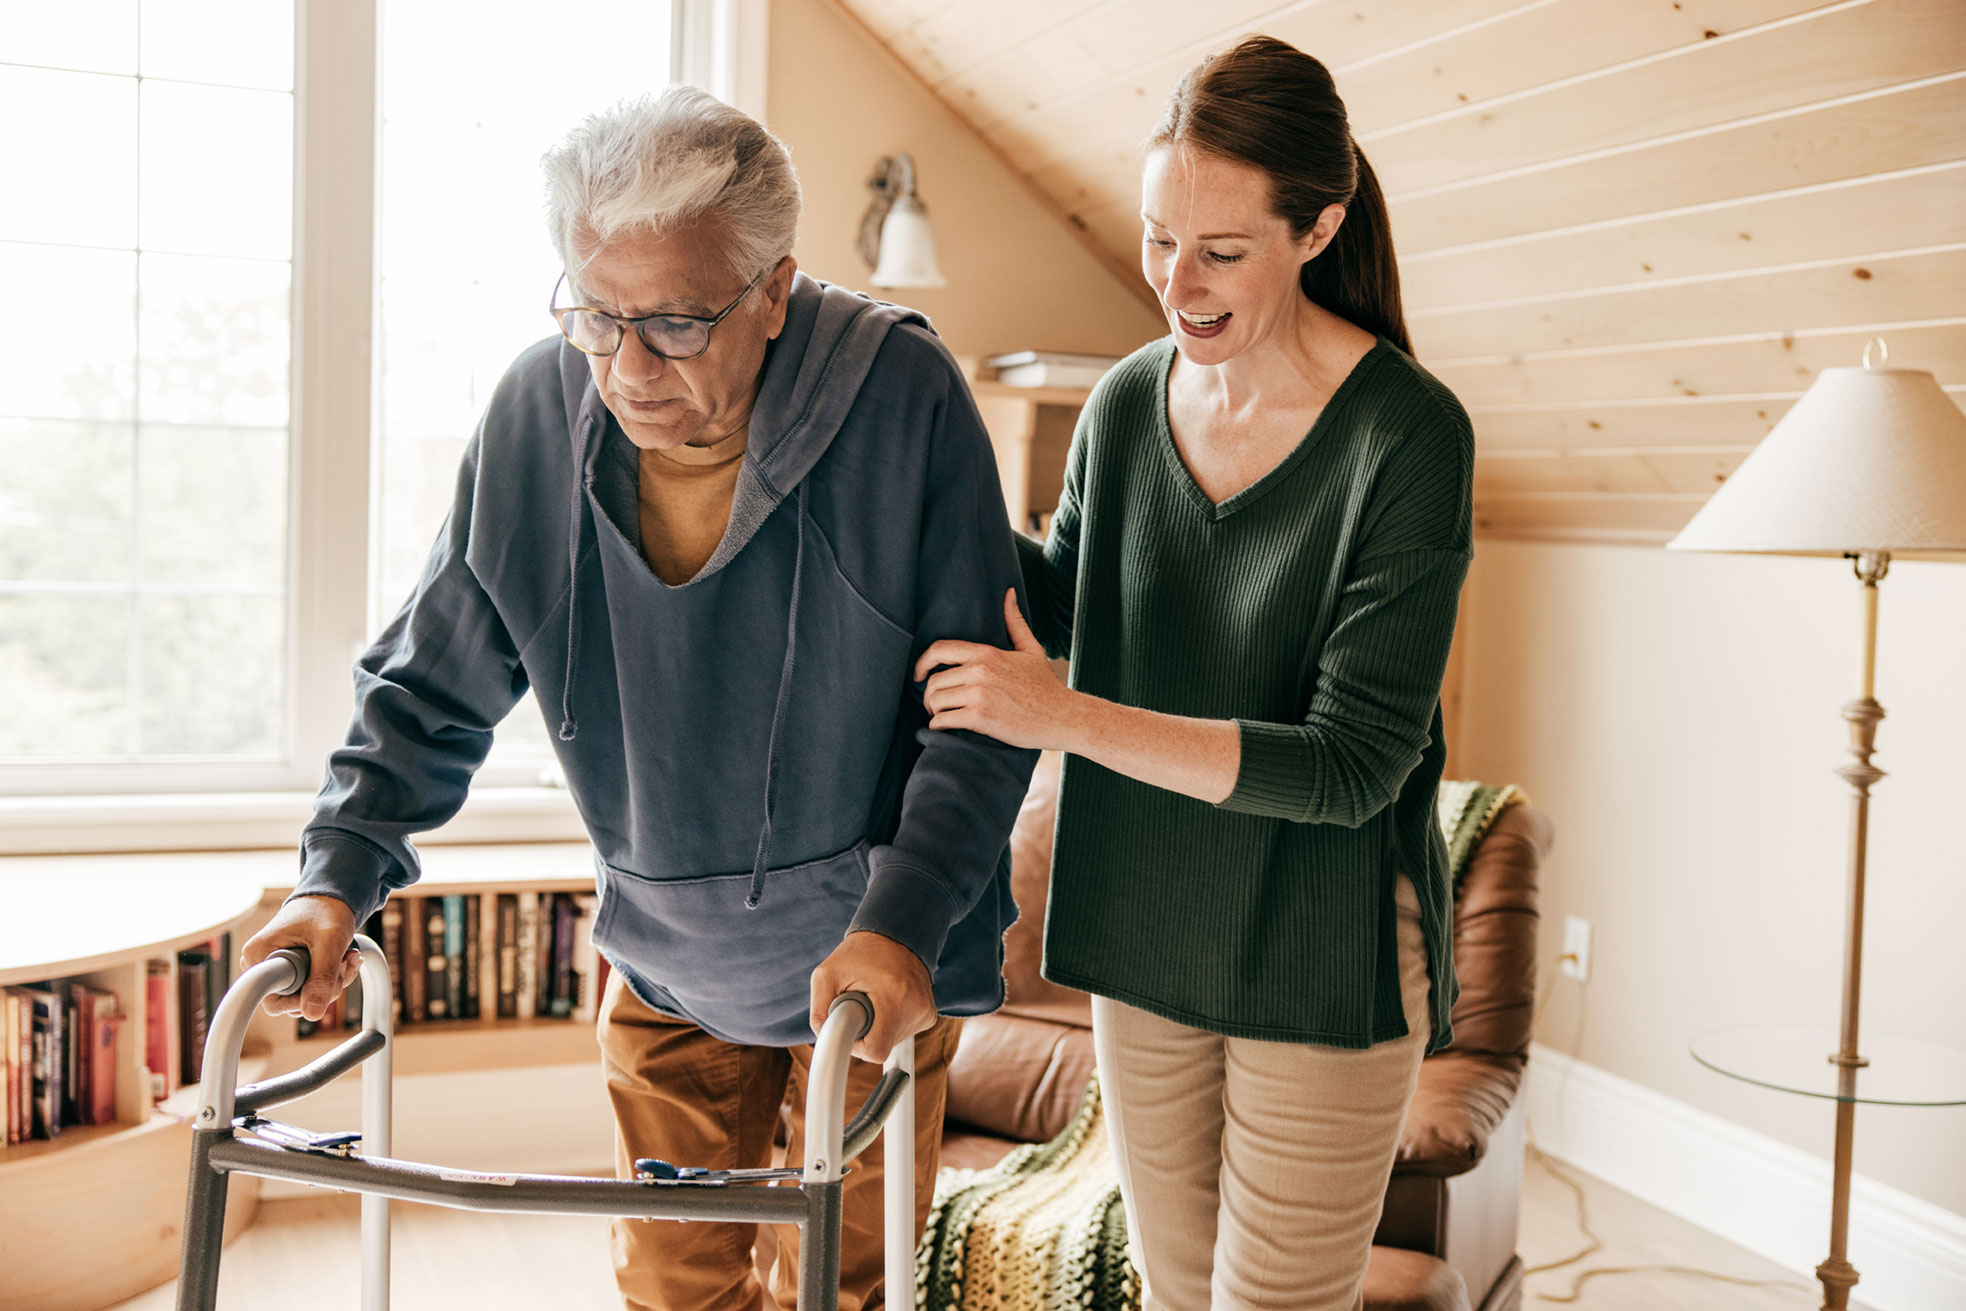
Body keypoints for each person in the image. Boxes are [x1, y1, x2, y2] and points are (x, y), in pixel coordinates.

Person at [240, 86, 1036, 1311]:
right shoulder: (535, 414)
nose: (625, 367)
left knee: (854, 1291)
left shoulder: (902, 400)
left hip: (875, 964)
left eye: (671, 323)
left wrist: (907, 917)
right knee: (671, 1290)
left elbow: (980, 709)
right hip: (667, 965)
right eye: (594, 315)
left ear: (772, 290)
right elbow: (432, 676)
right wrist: (333, 873)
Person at [912, 36, 1473, 1311]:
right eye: (1159, 238)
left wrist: (1062, 714)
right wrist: (904, 500)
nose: (1177, 281)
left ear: (1318, 226)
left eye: (1221, 250)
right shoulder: (1123, 404)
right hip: (1144, 919)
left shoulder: (1407, 436)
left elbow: (1350, 767)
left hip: (1320, 945)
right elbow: (1063, 594)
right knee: (1170, 1296)